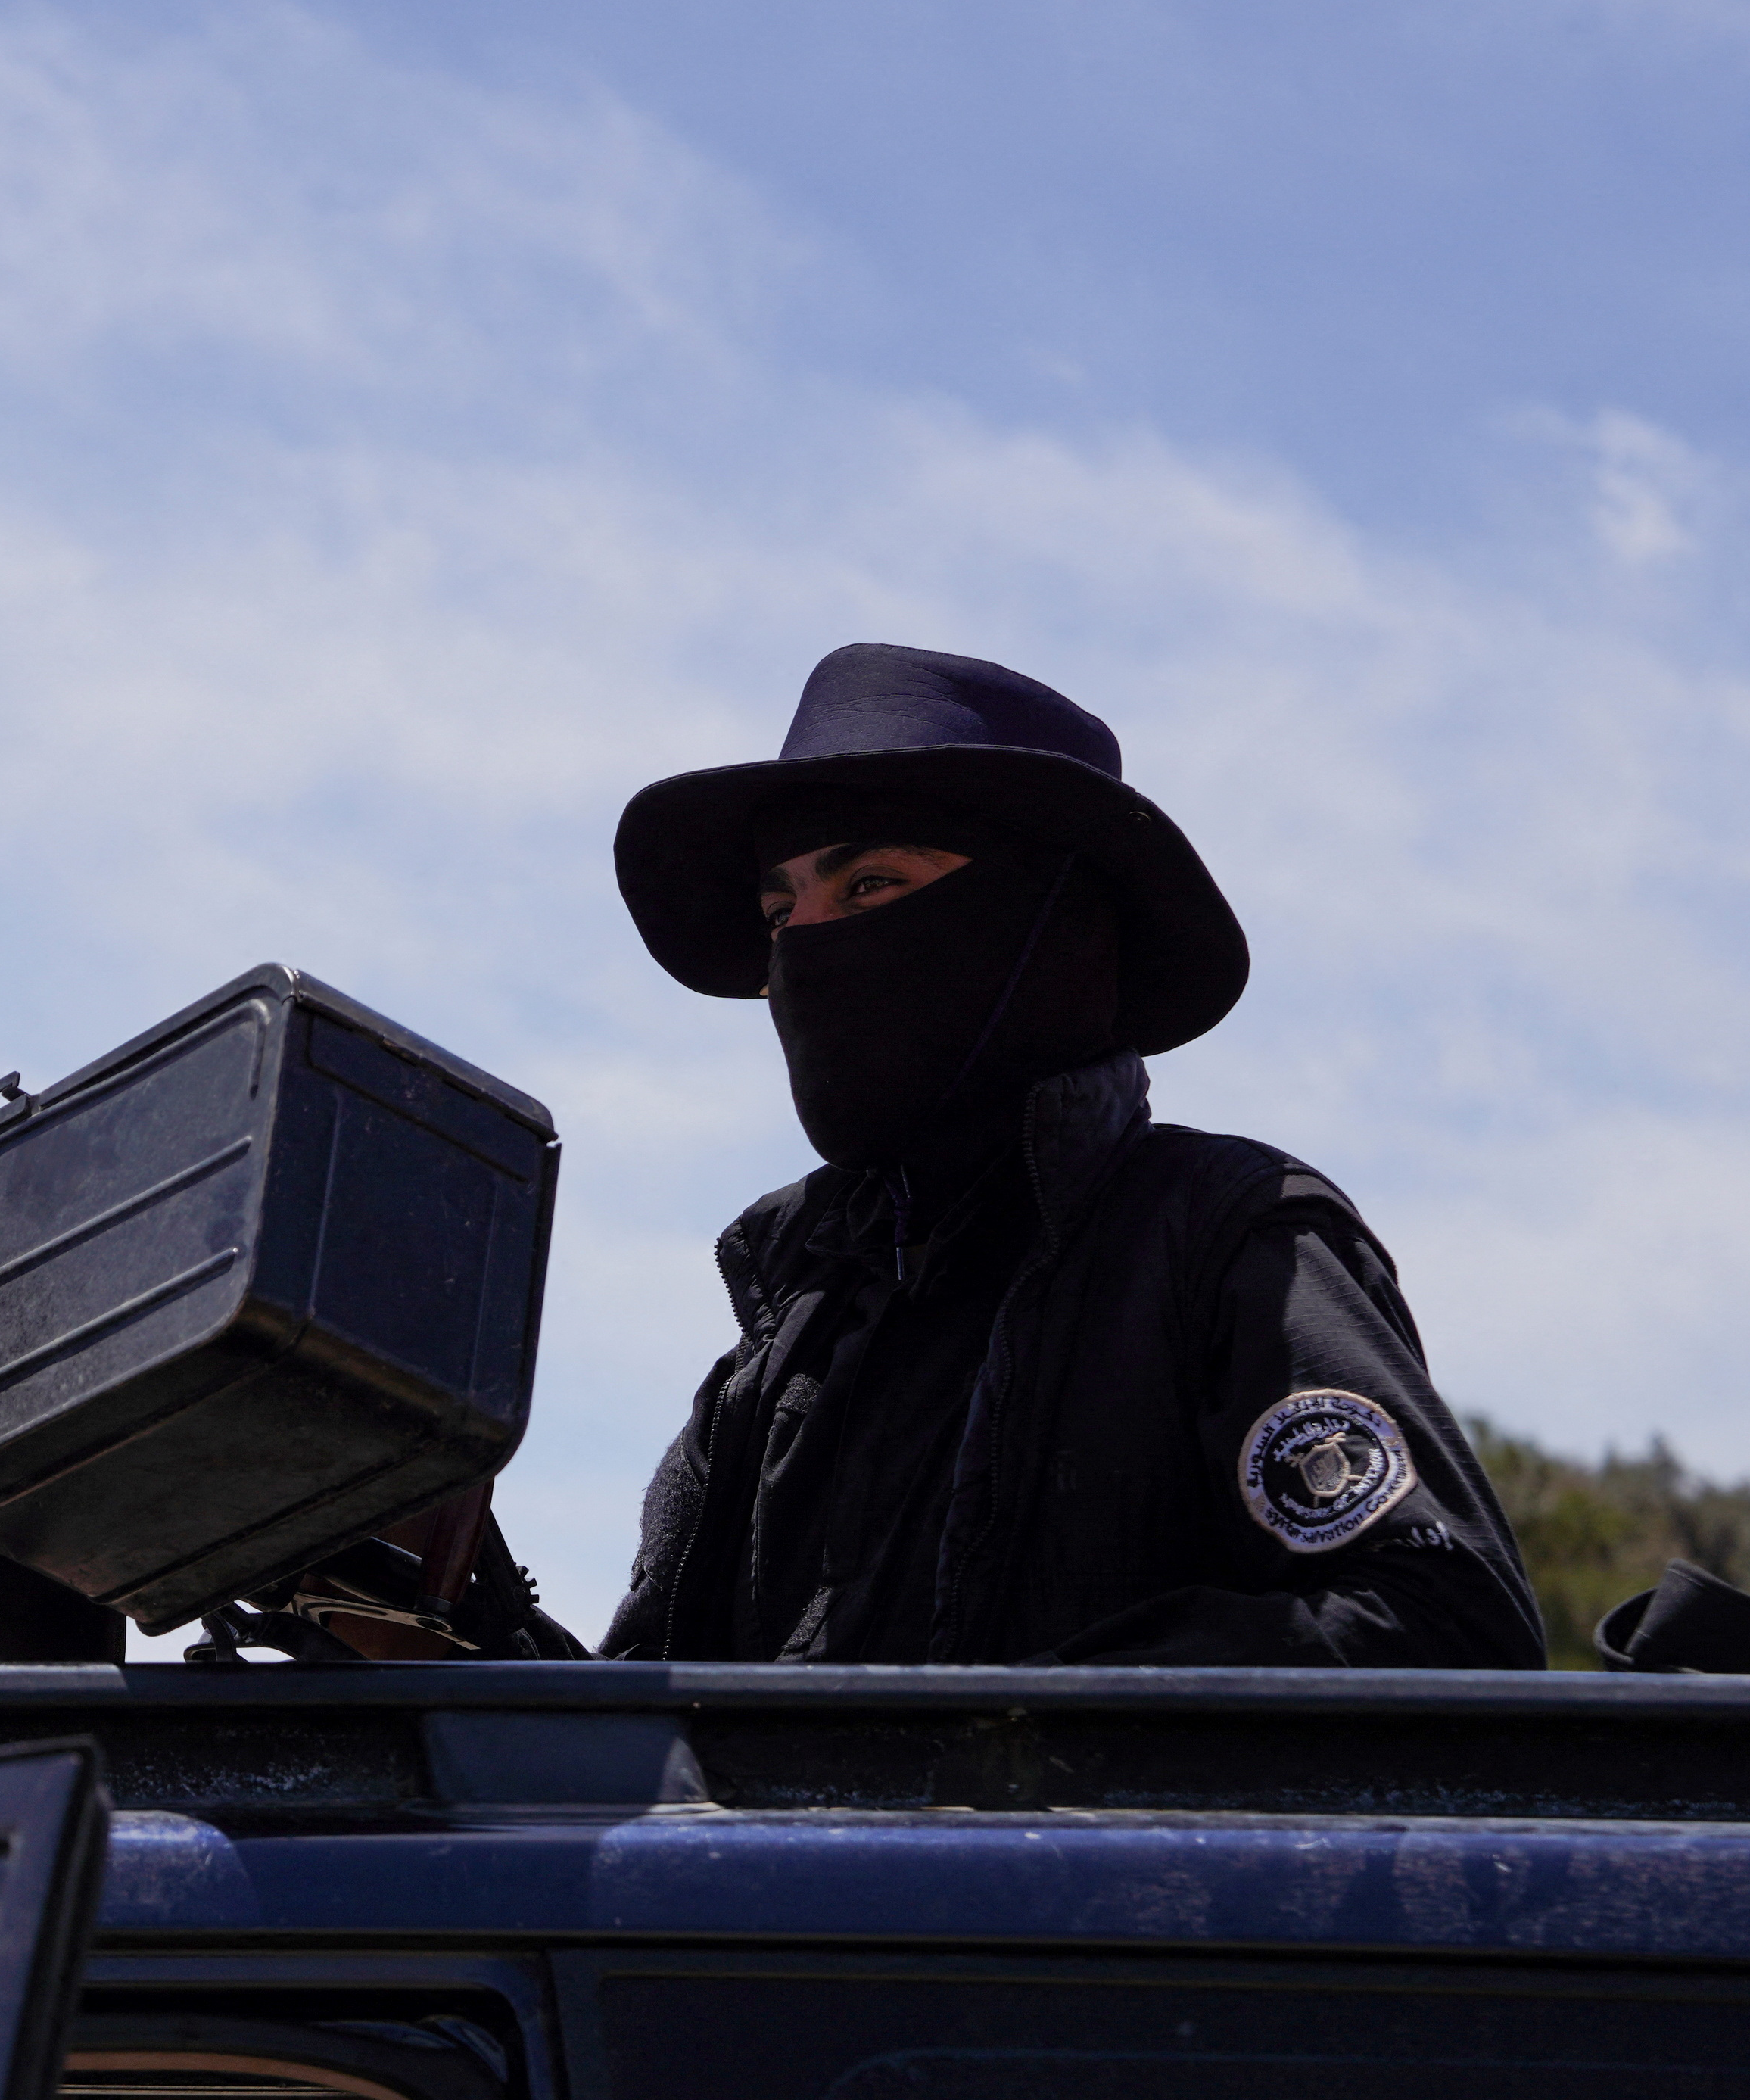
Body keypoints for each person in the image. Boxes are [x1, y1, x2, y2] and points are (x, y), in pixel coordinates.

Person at [594, 641, 1542, 1667]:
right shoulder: (787, 1343)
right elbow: (631, 1740)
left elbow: (1443, 1633)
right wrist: (443, 1603)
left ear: (1042, 923)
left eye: (869, 885)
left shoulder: (1223, 1241)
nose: (806, 950)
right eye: (781, 913)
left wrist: (1022, 1746)